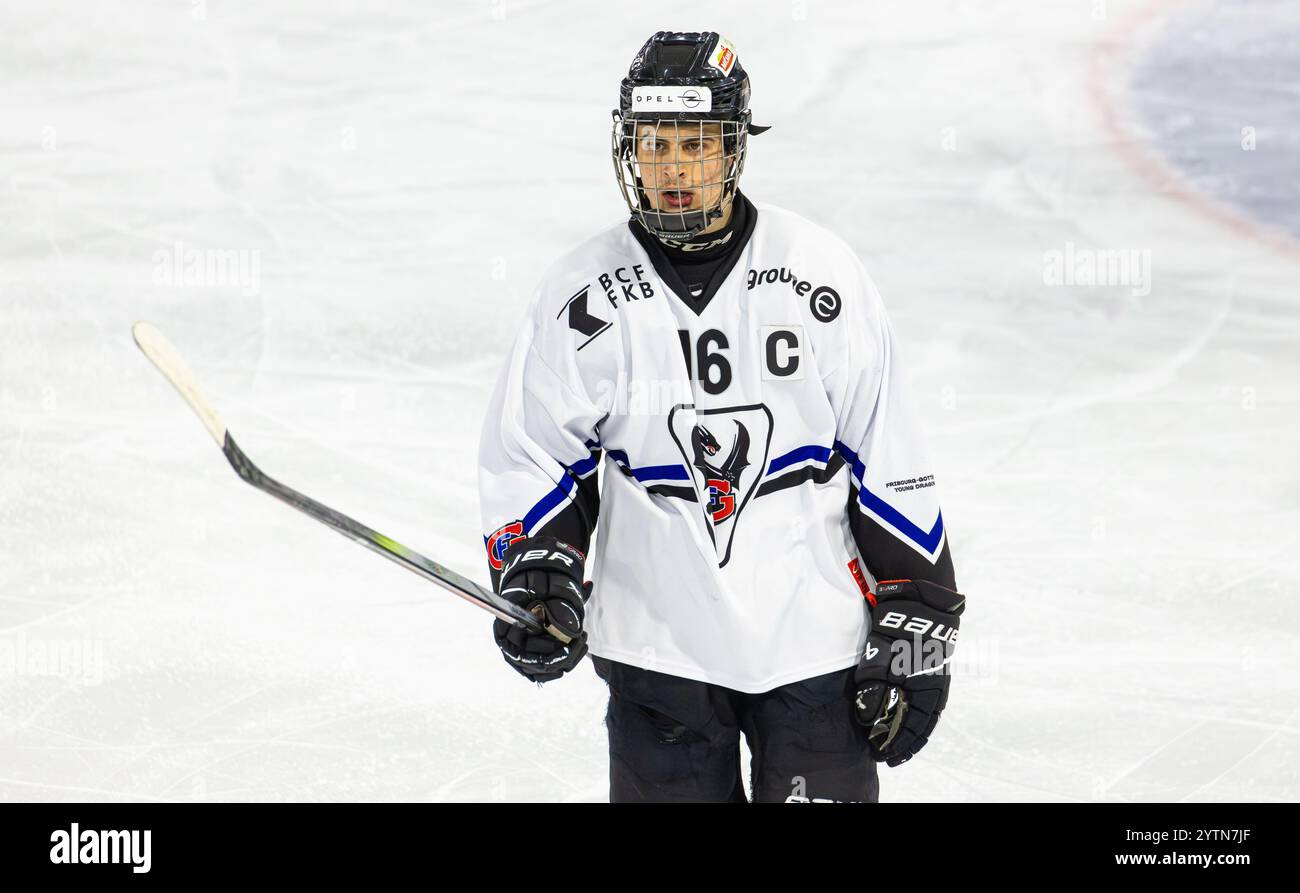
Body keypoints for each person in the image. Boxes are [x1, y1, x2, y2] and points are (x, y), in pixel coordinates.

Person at [477, 31, 965, 803]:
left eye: (696, 143)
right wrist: (538, 567)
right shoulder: (584, 296)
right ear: (628, 146)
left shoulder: (818, 276)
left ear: (734, 149)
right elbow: (533, 453)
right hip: (656, 654)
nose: (673, 167)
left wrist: (919, 609)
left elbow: (886, 444)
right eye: (655, 142)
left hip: (813, 650)